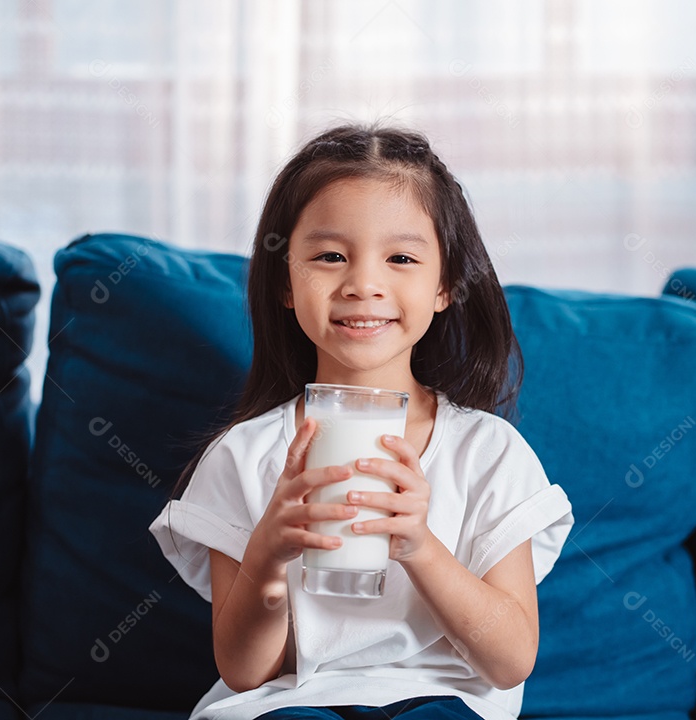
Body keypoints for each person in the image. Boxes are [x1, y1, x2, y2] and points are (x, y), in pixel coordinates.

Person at [148, 122, 573, 720]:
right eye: (329, 257)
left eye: (401, 258)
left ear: (445, 284)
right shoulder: (244, 457)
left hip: (444, 699)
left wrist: (421, 546)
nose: (363, 284)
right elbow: (245, 673)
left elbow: (510, 661)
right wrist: (266, 560)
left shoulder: (487, 453)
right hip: (293, 701)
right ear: (286, 284)